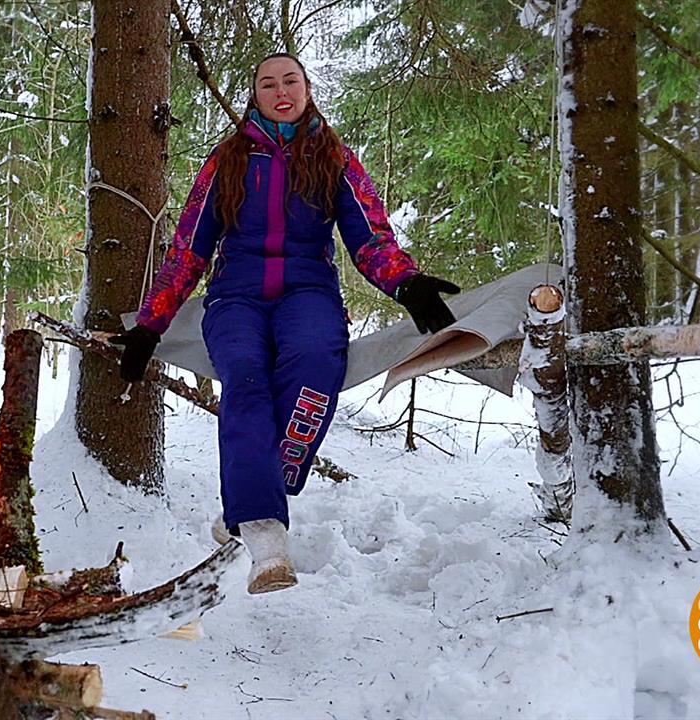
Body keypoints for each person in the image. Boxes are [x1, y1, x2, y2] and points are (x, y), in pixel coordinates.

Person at [111, 52, 460, 594]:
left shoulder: (334, 158)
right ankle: (265, 538)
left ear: (306, 89)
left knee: (317, 364)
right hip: (235, 298)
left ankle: (259, 484)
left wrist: (406, 283)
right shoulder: (226, 160)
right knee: (245, 380)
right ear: (255, 93)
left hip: (308, 293)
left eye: (290, 81)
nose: (280, 90)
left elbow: (369, 238)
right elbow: (188, 249)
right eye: (268, 82)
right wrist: (151, 324)